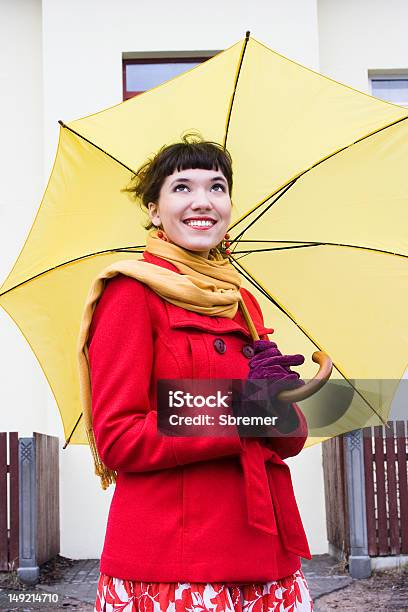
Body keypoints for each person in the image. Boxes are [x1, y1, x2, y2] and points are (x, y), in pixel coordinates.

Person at [78, 135, 314, 611]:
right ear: (153, 210)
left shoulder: (239, 301)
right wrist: (240, 408)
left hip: (266, 560)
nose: (203, 201)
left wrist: (280, 400)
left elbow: (287, 439)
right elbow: (118, 436)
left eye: (217, 187)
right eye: (182, 188)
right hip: (178, 569)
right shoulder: (131, 294)